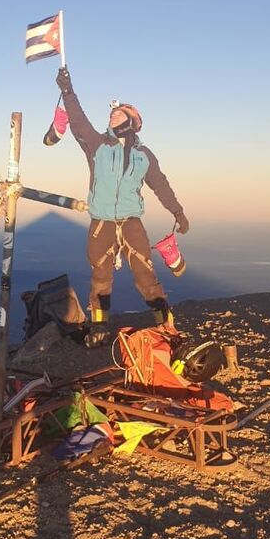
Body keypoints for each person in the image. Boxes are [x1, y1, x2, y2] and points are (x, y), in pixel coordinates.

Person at [56, 65, 189, 346]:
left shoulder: (144, 155)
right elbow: (78, 121)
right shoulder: (96, 145)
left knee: (145, 274)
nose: (111, 115)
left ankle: (164, 324)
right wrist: (67, 90)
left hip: (130, 221)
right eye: (111, 113)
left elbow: (160, 185)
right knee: (100, 276)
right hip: (102, 221)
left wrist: (177, 212)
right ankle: (100, 326)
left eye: (118, 113)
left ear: (132, 121)